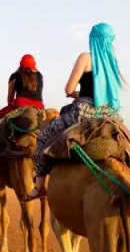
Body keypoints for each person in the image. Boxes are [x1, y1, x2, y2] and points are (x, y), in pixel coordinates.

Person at [22, 22, 124, 201]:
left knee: (43, 138)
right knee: (129, 147)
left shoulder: (86, 57)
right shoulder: (112, 62)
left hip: (83, 114)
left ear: (93, 39)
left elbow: (68, 89)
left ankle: (39, 187)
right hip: (111, 117)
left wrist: (75, 94)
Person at [0, 54, 45, 149]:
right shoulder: (39, 76)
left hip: (20, 106)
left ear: (21, 64)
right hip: (39, 107)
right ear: (34, 64)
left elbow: (10, 95)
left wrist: (10, 107)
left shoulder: (15, 76)